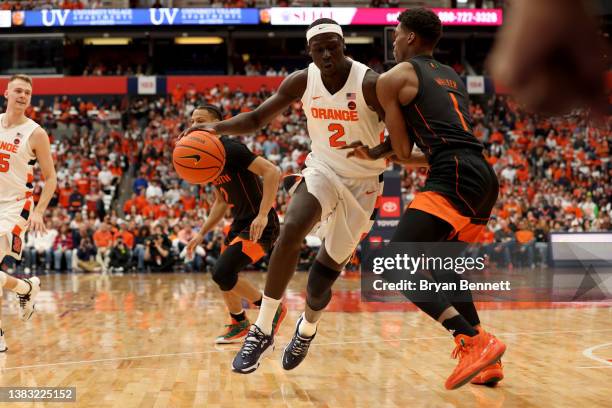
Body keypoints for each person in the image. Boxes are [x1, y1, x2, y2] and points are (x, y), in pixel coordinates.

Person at [185, 19, 424, 374]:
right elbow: (255, 119)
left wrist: (375, 153)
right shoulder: (301, 80)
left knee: (317, 288)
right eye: (319, 49)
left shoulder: (371, 83)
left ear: (344, 46)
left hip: (363, 186)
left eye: (333, 46)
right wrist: (216, 127)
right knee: (292, 228)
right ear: (309, 52)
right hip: (322, 171)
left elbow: (405, 140)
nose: (327, 54)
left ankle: (307, 327)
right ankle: (263, 328)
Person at [345, 9, 506, 389]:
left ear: (412, 38)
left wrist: (377, 151)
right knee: (446, 269)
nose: (395, 40)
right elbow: (431, 150)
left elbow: (401, 149)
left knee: (394, 263)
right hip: (481, 174)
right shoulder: (452, 76)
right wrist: (375, 153)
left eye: (398, 34)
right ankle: (487, 363)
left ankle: (471, 340)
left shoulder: (394, 77)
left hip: (452, 173)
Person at [185, 105, 287, 344]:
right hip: (239, 223)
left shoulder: (230, 148)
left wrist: (263, 215)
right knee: (224, 276)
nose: (194, 125)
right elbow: (221, 202)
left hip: (261, 223)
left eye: (200, 120)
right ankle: (239, 322)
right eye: (191, 121)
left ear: (217, 124)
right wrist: (201, 233)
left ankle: (272, 310)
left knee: (222, 272)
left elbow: (272, 171)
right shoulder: (206, 158)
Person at [0, 74, 56, 351]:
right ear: (6, 92)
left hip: (15, 207)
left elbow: (51, 178)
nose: (23, 96)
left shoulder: (36, 133)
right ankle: (25, 288)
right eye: (18, 91)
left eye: (27, 93)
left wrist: (39, 212)